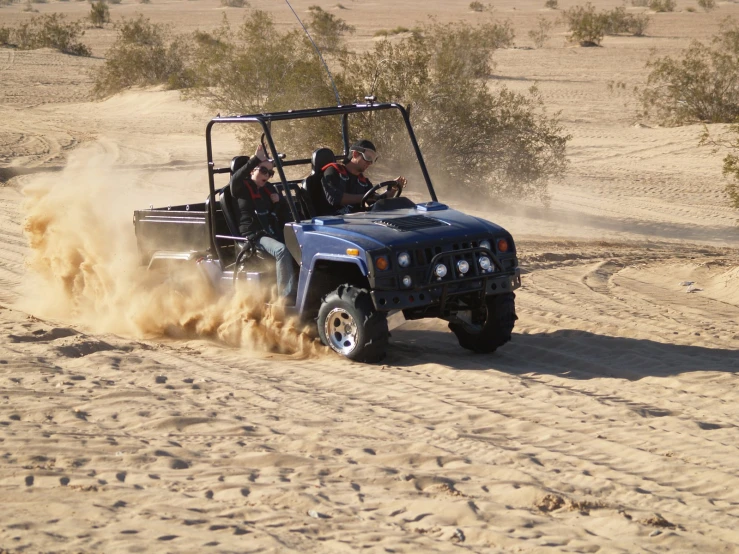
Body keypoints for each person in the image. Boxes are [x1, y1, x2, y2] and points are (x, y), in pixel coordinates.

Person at [229, 144, 296, 300]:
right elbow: (235, 181)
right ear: (252, 171)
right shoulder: (241, 188)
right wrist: (254, 160)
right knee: (281, 251)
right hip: (254, 236)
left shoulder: (269, 189)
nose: (267, 175)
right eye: (263, 170)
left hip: (270, 231)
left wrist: (280, 201)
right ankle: (284, 298)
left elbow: (284, 213)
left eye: (270, 172)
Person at [321, 139, 407, 215]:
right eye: (368, 158)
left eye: (372, 160)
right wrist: (367, 197)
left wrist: (393, 189)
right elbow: (334, 198)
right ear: (355, 154)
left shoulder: (363, 182)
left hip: (357, 222)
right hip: (333, 223)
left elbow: (379, 202)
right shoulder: (333, 171)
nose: (369, 163)